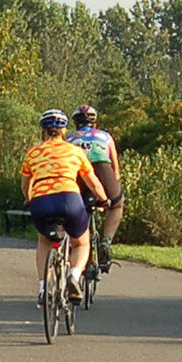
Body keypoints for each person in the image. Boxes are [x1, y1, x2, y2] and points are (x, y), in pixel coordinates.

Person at [20, 108, 109, 304]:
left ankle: (44, 289)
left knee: (44, 242)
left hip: (41, 202)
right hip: (70, 200)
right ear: (64, 130)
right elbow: (93, 183)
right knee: (81, 243)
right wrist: (104, 200)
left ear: (43, 130)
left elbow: (26, 184)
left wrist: (29, 199)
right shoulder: (75, 152)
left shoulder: (33, 153)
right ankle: (74, 276)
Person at [66, 104, 124, 272]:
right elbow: (115, 168)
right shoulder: (105, 136)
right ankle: (106, 240)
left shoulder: (69, 138)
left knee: (75, 209)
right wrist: (113, 188)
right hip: (103, 171)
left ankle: (75, 244)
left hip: (78, 175)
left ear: (75, 123)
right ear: (95, 123)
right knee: (117, 204)